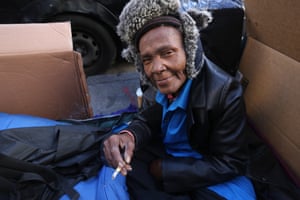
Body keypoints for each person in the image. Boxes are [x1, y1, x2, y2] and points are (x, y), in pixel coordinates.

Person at [100, 0, 256, 199]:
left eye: (167, 53)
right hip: (169, 159)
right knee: (120, 159)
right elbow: (150, 118)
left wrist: (166, 170)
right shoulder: (162, 83)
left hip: (208, 173)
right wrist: (128, 136)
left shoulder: (225, 93)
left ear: (189, 51)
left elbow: (231, 162)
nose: (157, 68)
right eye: (147, 59)